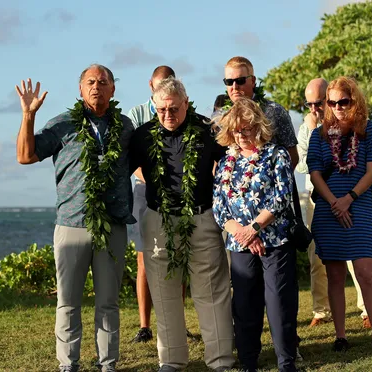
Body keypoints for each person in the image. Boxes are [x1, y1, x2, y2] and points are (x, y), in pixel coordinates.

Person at [15, 64, 135, 372]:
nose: (97, 86)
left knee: (108, 302)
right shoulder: (63, 124)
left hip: (113, 225)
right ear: (80, 90)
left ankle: (107, 364)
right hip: (71, 223)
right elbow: (25, 156)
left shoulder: (125, 126)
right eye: (90, 82)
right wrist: (28, 115)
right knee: (68, 302)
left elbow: (140, 163)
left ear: (113, 89)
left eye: (103, 82)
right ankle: (68, 364)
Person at [129, 77, 234, 372]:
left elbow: (231, 165)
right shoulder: (142, 136)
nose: (168, 115)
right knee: (164, 292)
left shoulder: (207, 131)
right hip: (157, 218)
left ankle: (221, 360)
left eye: (174, 109)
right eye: (161, 110)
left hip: (202, 217)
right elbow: (122, 171)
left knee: (211, 291)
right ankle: (171, 360)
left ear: (186, 103)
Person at [213, 98, 298, 372]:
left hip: (274, 240)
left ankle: (286, 361)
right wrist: (242, 233)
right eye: (237, 130)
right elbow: (219, 206)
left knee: (278, 303)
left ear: (258, 127)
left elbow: (281, 197)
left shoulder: (276, 154)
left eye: (247, 129)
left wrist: (255, 228)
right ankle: (248, 360)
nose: (241, 135)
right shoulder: (227, 160)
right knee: (245, 304)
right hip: (240, 244)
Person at [307, 76, 372, 352]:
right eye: (332, 102)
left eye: (344, 101)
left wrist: (349, 198)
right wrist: (334, 202)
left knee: (366, 272)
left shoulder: (369, 130)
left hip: (361, 207)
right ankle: (340, 336)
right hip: (330, 211)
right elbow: (316, 173)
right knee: (335, 275)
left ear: (354, 100)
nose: (338, 106)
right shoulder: (319, 134)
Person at [296, 78, 370, 329]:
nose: (314, 108)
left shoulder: (350, 126)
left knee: (354, 259)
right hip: (318, 200)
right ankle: (321, 310)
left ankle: (365, 310)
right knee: (317, 259)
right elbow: (304, 165)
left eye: (319, 103)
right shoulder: (307, 128)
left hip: (348, 197)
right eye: (310, 104)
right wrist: (313, 128)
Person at [126, 65, 176, 344]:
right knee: (144, 257)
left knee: (177, 254)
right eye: (158, 86)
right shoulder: (136, 114)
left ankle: (176, 321)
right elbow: (132, 161)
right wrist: (155, 181)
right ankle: (144, 326)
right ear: (150, 85)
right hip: (145, 190)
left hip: (177, 192)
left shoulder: (180, 107)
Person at [219, 56, 299, 168]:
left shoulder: (275, 111)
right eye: (229, 81)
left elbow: (292, 156)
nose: (235, 86)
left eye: (240, 81)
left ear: (252, 81)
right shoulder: (223, 117)